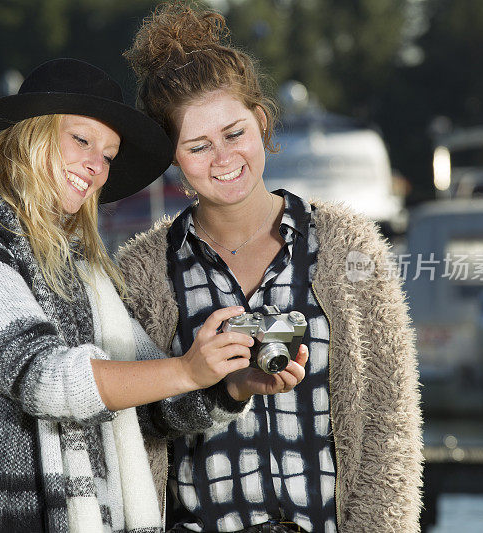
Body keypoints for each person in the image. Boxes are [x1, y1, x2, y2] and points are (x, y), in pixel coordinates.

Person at [0, 58, 306, 533]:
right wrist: (184, 368)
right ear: (30, 134)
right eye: (81, 140)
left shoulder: (82, 269)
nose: (97, 166)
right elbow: (45, 378)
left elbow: (148, 400)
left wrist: (232, 383)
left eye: (109, 155)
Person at [117, 5, 424, 533]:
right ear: (174, 157)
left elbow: (387, 430)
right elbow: (131, 426)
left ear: (261, 122)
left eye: (234, 133)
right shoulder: (142, 271)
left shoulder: (350, 247)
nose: (223, 158)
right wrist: (218, 383)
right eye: (197, 145)